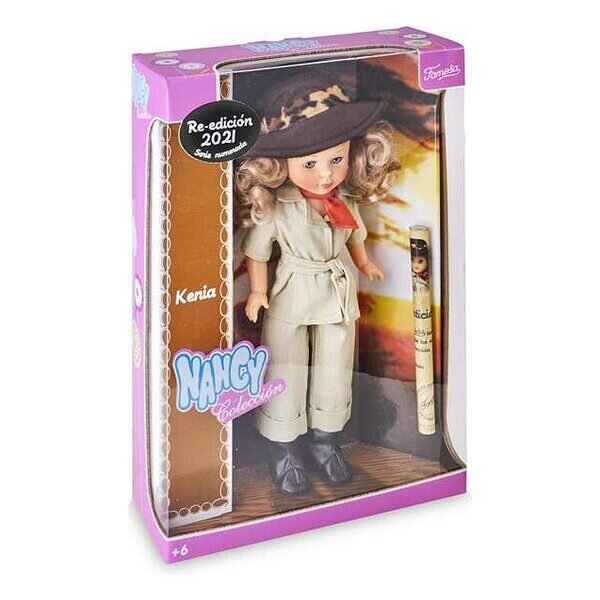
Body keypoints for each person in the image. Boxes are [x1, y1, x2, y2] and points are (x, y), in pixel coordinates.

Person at [235, 69, 399, 494]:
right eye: (309, 164)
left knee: (334, 366)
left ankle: (326, 441)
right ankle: (283, 448)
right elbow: (257, 252)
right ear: (282, 164)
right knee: (285, 364)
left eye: (336, 159)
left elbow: (355, 237)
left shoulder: (344, 201)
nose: (325, 174)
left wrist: (365, 264)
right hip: (291, 292)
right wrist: (257, 291)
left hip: (337, 290)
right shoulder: (277, 206)